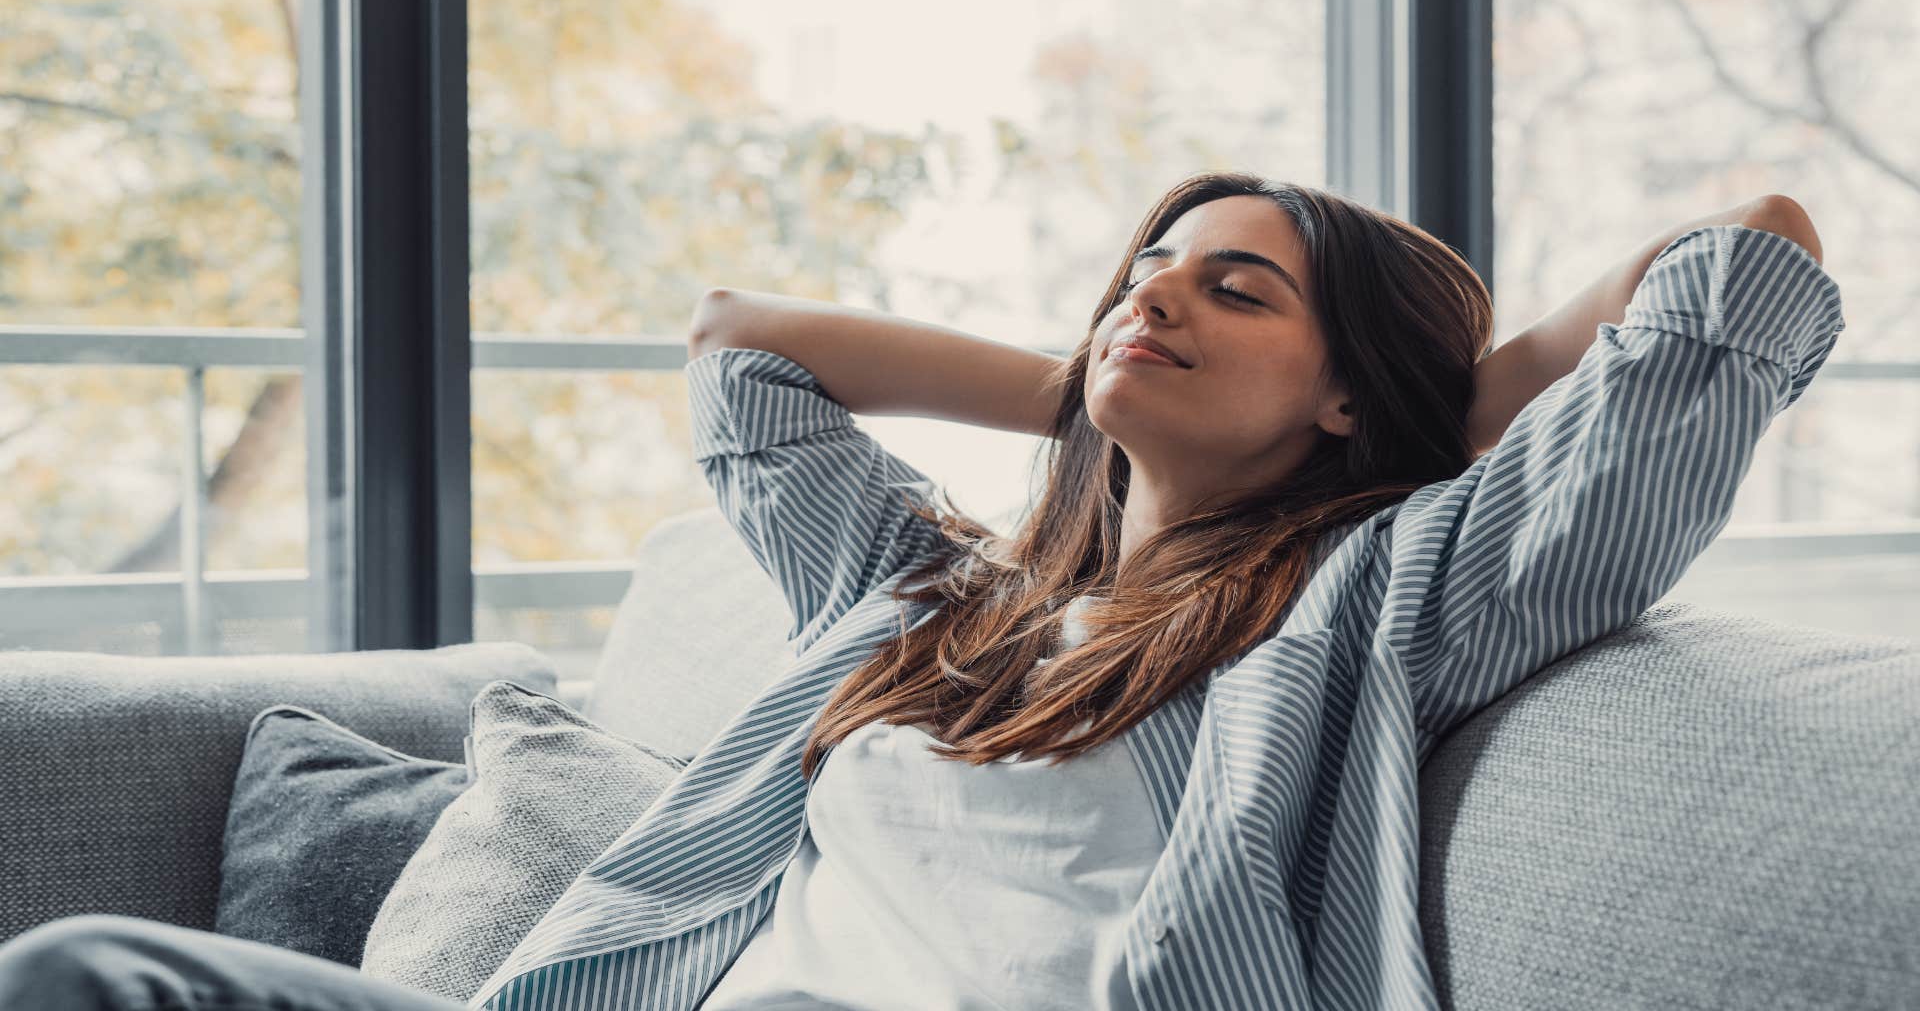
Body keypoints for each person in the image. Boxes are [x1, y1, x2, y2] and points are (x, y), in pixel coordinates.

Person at [0, 173, 1838, 1011]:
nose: (1157, 298)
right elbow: (741, 352)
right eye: (1147, 271)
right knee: (90, 971)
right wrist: (1094, 385)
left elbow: (1745, 255)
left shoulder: (1370, 603)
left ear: (1347, 387)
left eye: (1236, 293)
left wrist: (1427, 414)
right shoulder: (917, 597)